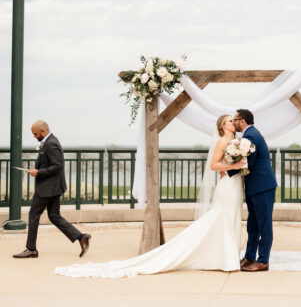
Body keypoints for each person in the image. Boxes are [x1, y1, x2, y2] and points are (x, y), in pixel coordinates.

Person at [54, 115, 247, 278]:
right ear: (223, 126)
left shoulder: (235, 143)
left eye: (233, 121)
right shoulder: (222, 142)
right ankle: (226, 259)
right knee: (222, 218)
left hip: (235, 184)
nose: (233, 123)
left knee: (230, 219)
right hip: (227, 187)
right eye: (230, 121)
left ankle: (226, 256)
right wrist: (234, 166)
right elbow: (214, 166)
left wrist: (239, 165)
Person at [13, 120, 91, 259]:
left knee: (34, 215)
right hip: (53, 186)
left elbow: (58, 166)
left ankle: (31, 249)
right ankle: (81, 237)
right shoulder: (50, 142)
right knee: (54, 216)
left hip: (48, 187)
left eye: (35, 134)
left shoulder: (51, 144)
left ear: (43, 131)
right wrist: (38, 171)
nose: (34, 136)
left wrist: (38, 172)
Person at [229, 109, 277, 272]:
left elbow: (246, 162)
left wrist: (225, 170)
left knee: (264, 225)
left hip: (262, 187)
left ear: (242, 121)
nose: (233, 122)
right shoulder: (249, 135)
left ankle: (263, 261)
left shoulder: (251, 136)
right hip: (255, 187)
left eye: (235, 119)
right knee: (253, 225)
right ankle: (250, 257)